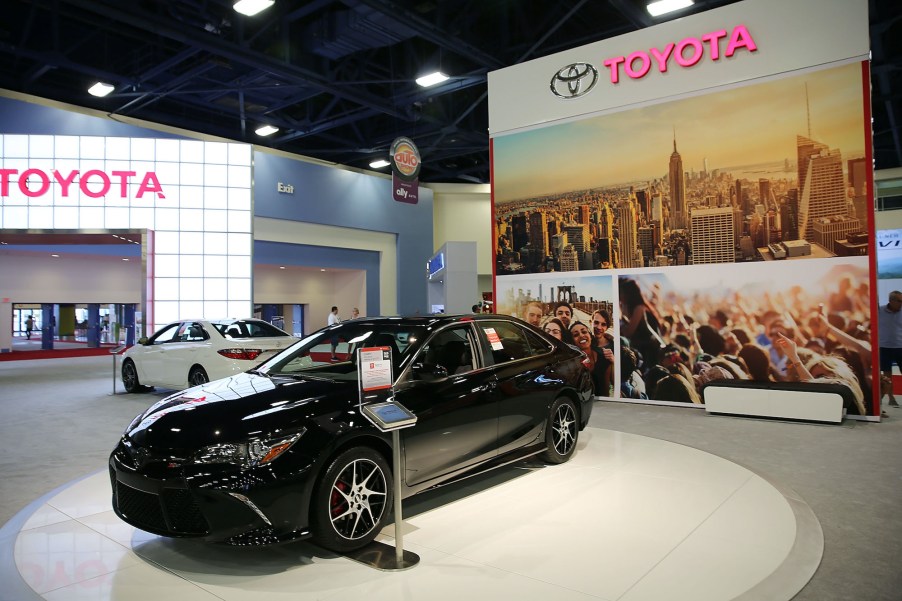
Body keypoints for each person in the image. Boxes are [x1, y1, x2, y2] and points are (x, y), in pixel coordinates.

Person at [570, 321, 613, 396]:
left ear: (590, 336)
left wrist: (614, 361)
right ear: (572, 342)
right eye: (576, 335)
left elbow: (606, 390)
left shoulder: (603, 356)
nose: (581, 335)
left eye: (584, 332)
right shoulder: (572, 364)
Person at [877, 290, 902, 407]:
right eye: (899, 301)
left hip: (900, 348)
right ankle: (891, 398)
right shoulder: (880, 311)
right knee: (887, 375)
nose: (901, 303)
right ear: (891, 301)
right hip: (884, 348)